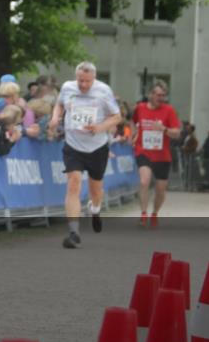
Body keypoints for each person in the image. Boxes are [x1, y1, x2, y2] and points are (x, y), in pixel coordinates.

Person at [48, 62, 122, 249]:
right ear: (76, 77)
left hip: (97, 147)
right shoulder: (67, 87)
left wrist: (99, 128)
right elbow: (59, 104)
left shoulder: (104, 91)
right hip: (73, 145)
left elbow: (116, 116)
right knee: (73, 183)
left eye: (87, 81)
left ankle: (95, 210)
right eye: (81, 80)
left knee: (95, 190)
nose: (83, 85)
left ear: (94, 78)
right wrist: (55, 117)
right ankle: (74, 232)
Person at [132, 81, 181, 227]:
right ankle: (143, 214)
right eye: (158, 95)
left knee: (160, 189)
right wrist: (133, 134)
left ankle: (154, 213)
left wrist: (164, 129)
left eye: (163, 95)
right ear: (150, 95)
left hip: (162, 155)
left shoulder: (169, 110)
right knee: (144, 181)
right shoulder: (140, 108)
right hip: (143, 151)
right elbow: (132, 122)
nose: (161, 98)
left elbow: (177, 134)